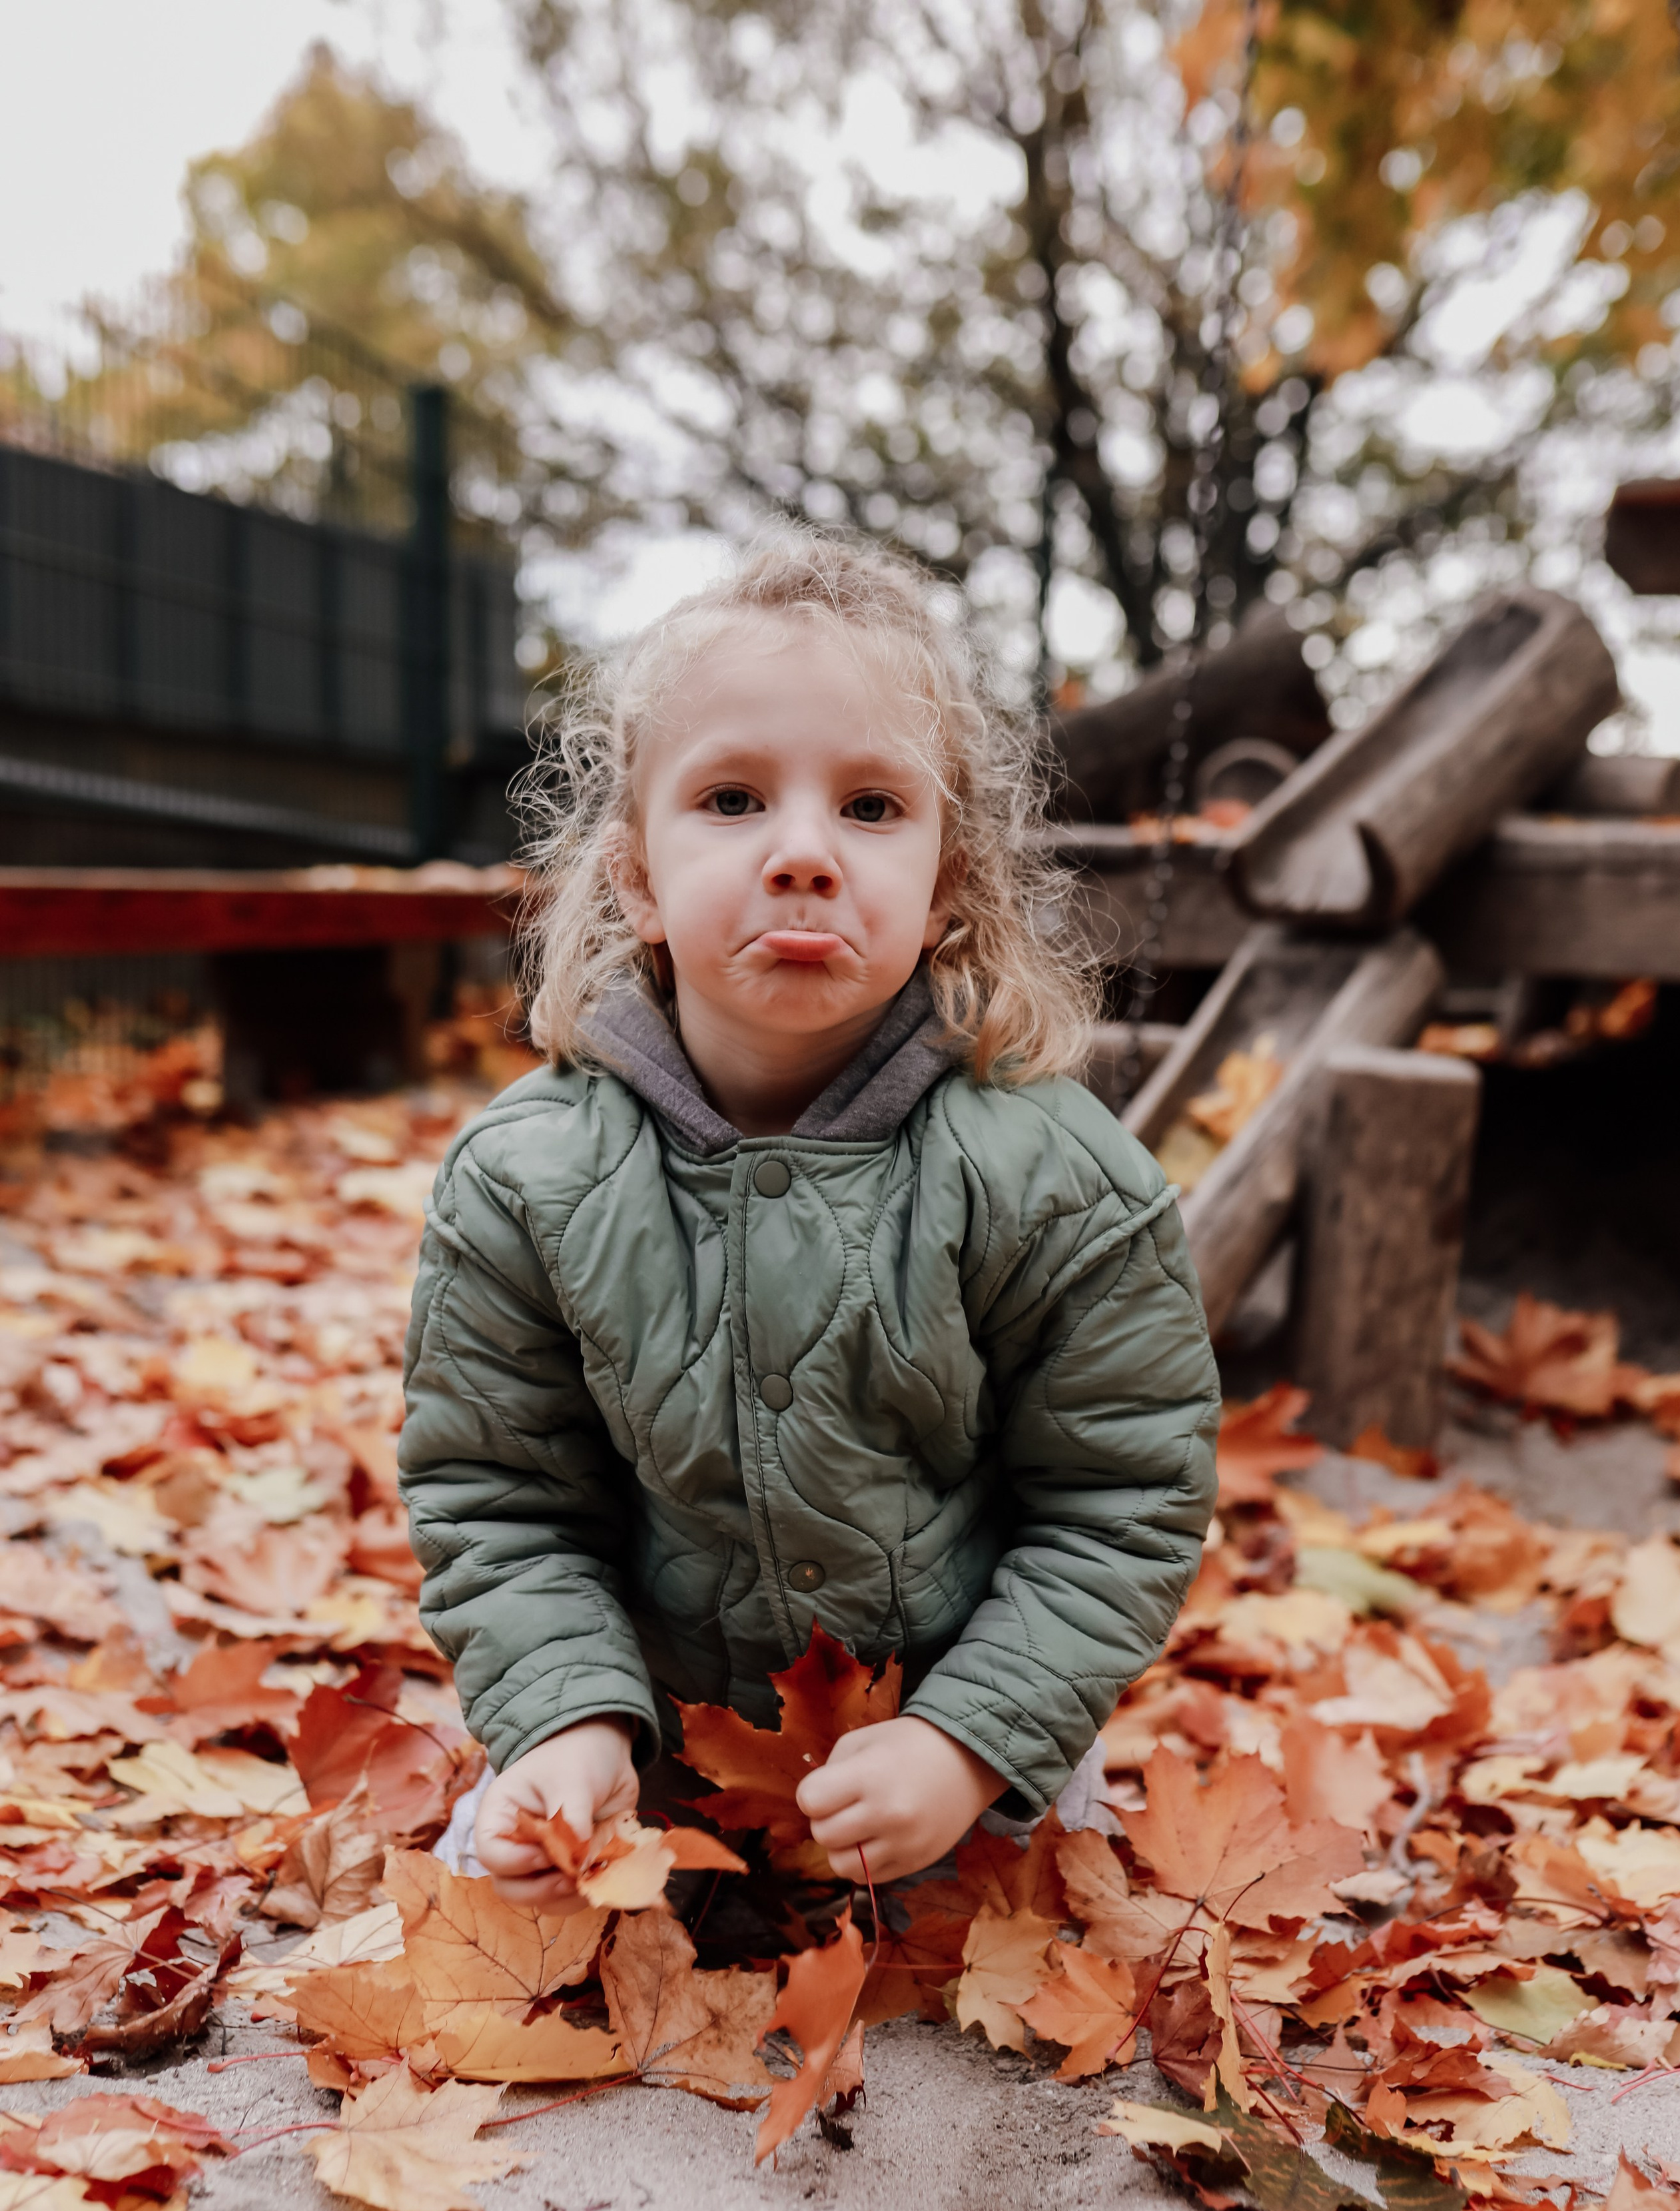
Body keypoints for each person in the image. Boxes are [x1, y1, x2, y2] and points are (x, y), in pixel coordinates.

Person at [398, 531, 1218, 1910]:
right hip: (658, 1735)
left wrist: (971, 1739)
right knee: (506, 1905)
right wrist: (569, 1721)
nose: (799, 855)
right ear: (636, 879)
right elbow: (501, 1499)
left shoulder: (1053, 1174)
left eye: (870, 807)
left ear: (948, 879)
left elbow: (1118, 1499)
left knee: (1038, 1926)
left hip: (951, 1718)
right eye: (729, 799)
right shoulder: (523, 1176)